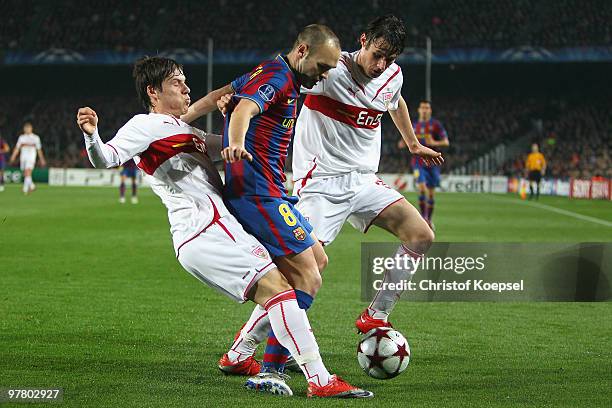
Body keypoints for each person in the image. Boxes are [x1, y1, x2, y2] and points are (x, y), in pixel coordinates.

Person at [77, 56, 371, 399]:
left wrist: (233, 115)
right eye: (177, 83)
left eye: (186, 81)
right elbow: (107, 157)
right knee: (280, 290)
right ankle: (318, 378)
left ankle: (238, 356)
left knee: (286, 284)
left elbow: (236, 145)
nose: (187, 89)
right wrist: (92, 135)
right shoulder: (144, 125)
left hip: (216, 228)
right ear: (153, 92)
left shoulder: (186, 130)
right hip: (204, 229)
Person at [217, 15, 443, 377]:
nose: (381, 65)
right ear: (364, 40)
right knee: (301, 273)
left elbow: (395, 101)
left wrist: (413, 142)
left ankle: (376, 315)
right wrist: (235, 97)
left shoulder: (392, 75)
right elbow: (275, 82)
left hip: (364, 181)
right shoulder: (329, 71)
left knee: (421, 235)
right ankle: (241, 350)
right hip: (321, 186)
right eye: (378, 54)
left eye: (391, 58)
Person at [185, 24, 344, 395]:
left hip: (272, 191)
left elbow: (223, 95)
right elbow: (242, 108)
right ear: (302, 51)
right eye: (322, 66)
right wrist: (235, 143)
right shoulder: (277, 76)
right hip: (259, 195)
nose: (324, 75)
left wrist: (182, 119)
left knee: (318, 260)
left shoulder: (269, 70)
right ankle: (271, 370)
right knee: (307, 278)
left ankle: (240, 353)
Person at [400, 100, 449, 229]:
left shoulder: (436, 125)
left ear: (430, 110)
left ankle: (429, 219)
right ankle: (423, 219)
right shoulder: (414, 125)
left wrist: (434, 142)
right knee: (422, 189)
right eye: (422, 107)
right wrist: (403, 143)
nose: (425, 110)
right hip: (418, 162)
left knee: (431, 194)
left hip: (433, 163)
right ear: (419, 110)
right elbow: (406, 139)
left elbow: (446, 142)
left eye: (427, 108)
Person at [9, 122, 46, 194]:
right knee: (25, 172)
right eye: (26, 128)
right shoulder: (21, 138)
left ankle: (28, 187)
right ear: (24, 129)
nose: (27, 129)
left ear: (31, 129)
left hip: (31, 157)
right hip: (23, 157)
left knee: (27, 171)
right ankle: (29, 187)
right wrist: (13, 157)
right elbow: (17, 148)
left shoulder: (36, 138)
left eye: (28, 128)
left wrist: (42, 159)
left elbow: (39, 149)